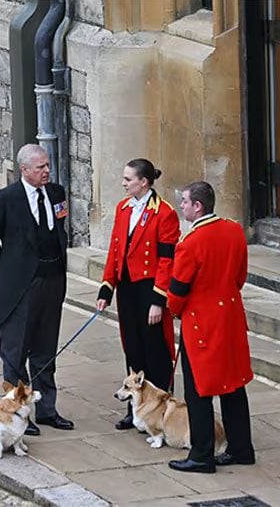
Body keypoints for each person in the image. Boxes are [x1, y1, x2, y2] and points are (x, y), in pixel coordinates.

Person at [0, 143, 74, 436]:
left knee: (45, 349)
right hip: (21, 287)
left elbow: (59, 229)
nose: (46, 171)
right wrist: (9, 271)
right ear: (24, 170)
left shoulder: (56, 194)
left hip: (52, 281)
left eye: (47, 166)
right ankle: (19, 412)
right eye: (40, 167)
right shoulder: (6, 199)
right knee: (16, 350)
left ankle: (46, 408)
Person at [166, 181, 255, 474]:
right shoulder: (234, 230)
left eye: (185, 202)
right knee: (233, 386)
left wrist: (175, 310)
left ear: (198, 207)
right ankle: (241, 448)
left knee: (199, 392)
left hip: (202, 325)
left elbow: (177, 293)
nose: (182, 206)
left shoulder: (190, 243)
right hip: (230, 318)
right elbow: (240, 276)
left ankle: (202, 455)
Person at [96, 158, 179, 430]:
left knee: (154, 351)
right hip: (128, 289)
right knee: (132, 349)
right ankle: (136, 409)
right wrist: (106, 287)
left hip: (150, 289)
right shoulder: (123, 208)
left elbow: (167, 260)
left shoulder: (164, 213)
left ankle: (161, 410)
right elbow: (115, 251)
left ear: (144, 182)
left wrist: (159, 300)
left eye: (128, 179)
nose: (123, 183)